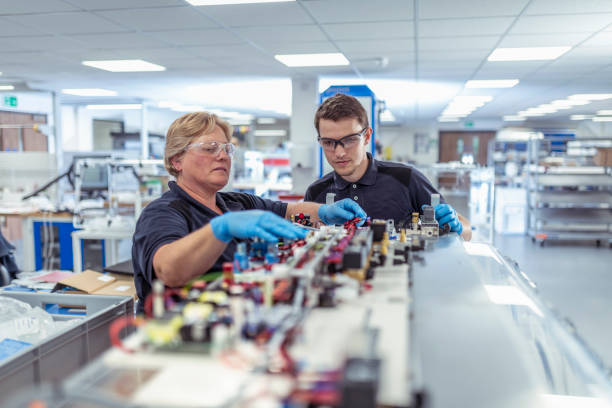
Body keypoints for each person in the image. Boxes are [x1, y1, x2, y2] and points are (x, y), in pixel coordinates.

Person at [132, 112, 366, 311]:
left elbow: (291, 210)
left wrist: (325, 212)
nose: (223, 155)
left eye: (226, 148)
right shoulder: (162, 212)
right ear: (176, 161)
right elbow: (169, 270)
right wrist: (219, 230)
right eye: (210, 148)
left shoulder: (236, 202)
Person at [304, 93, 472, 241]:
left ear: (367, 136)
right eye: (328, 142)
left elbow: (467, 230)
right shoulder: (316, 192)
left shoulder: (406, 178)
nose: (339, 152)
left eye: (349, 140)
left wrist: (457, 227)